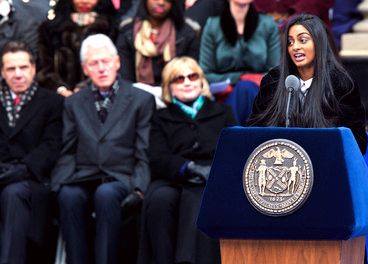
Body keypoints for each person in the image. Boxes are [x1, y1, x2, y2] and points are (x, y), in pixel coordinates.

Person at [51, 34, 155, 264]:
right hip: (83, 175)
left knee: (105, 194)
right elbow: (67, 149)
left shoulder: (141, 99)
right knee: (68, 196)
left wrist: (139, 188)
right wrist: (59, 184)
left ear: (117, 62)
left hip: (121, 175)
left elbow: (144, 149)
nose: (101, 68)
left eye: (105, 61)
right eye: (94, 63)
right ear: (85, 69)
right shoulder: (73, 103)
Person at [137, 56, 236, 264]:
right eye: (178, 79)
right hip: (174, 176)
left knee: (199, 196)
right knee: (160, 199)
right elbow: (157, 156)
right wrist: (187, 167)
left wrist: (212, 171)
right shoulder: (160, 117)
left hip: (212, 175)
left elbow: (234, 151)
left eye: (192, 76)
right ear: (169, 87)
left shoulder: (222, 112)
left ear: (201, 81)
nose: (187, 82)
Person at [247, 14, 367, 155]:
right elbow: (254, 130)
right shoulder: (273, 81)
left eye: (302, 40)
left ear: (319, 43)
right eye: (290, 42)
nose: (295, 47)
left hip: (326, 162)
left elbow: (357, 142)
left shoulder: (341, 84)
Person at [0, 41, 63, 263]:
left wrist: (21, 169)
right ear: (2, 72)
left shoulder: (52, 102)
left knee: (13, 193)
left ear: (33, 68)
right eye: (10, 69)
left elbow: (52, 146)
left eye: (23, 67)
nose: (18, 74)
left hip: (34, 180)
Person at [199, 0, 280, 125]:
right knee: (243, 88)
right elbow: (205, 73)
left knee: (246, 89)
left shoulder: (268, 24)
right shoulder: (212, 26)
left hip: (259, 91)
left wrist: (254, 80)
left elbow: (276, 72)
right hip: (224, 93)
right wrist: (240, 78)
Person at [36, 0, 117, 97]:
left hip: (103, 94)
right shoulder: (50, 29)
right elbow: (44, 68)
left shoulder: (111, 27)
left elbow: (116, 64)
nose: (84, 1)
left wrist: (84, 88)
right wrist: (61, 89)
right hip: (59, 98)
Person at [116, 0, 199, 86]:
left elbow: (191, 73)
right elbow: (125, 76)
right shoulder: (128, 32)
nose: (161, 2)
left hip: (177, 92)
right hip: (136, 94)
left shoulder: (186, 32)